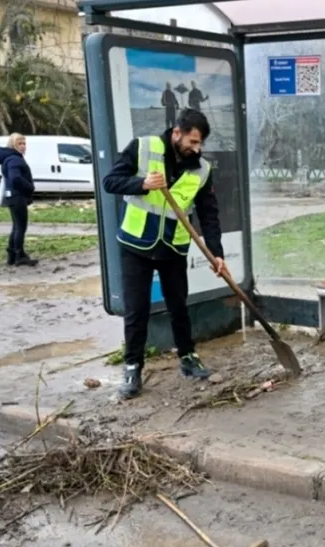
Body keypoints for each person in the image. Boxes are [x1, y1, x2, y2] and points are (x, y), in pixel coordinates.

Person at [102, 109, 228, 400]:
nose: (196, 149)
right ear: (176, 133)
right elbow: (111, 181)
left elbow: (209, 215)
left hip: (173, 247)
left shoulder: (201, 170)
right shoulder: (143, 148)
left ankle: (188, 357)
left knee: (179, 306)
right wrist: (142, 184)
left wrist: (216, 253)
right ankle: (133, 367)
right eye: (192, 141)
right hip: (136, 244)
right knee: (137, 311)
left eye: (200, 144)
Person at [0, 133, 37, 267]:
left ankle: (12, 255)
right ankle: (19, 255)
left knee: (16, 226)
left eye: (24, 143)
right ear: (13, 145)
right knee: (20, 227)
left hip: (12, 196)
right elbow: (15, 178)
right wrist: (30, 187)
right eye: (20, 144)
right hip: (18, 197)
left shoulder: (10, 158)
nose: (23, 146)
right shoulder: (14, 160)